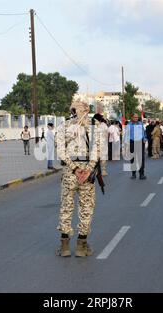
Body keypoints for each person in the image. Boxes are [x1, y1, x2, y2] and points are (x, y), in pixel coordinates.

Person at [55, 100, 101, 257]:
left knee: (66, 206)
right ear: (86, 110)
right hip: (86, 171)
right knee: (86, 206)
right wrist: (88, 169)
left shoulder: (63, 126)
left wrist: (74, 168)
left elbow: (60, 152)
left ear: (72, 110)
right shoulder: (94, 127)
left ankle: (65, 247)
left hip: (70, 171)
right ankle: (82, 246)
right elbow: (96, 151)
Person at [124, 113, 147, 180]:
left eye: (137, 117)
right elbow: (126, 135)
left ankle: (141, 174)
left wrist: (145, 138)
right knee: (133, 159)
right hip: (132, 142)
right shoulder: (129, 125)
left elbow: (143, 132)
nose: (136, 118)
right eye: (135, 117)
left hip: (140, 142)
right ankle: (133, 174)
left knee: (141, 159)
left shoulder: (140, 124)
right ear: (132, 118)